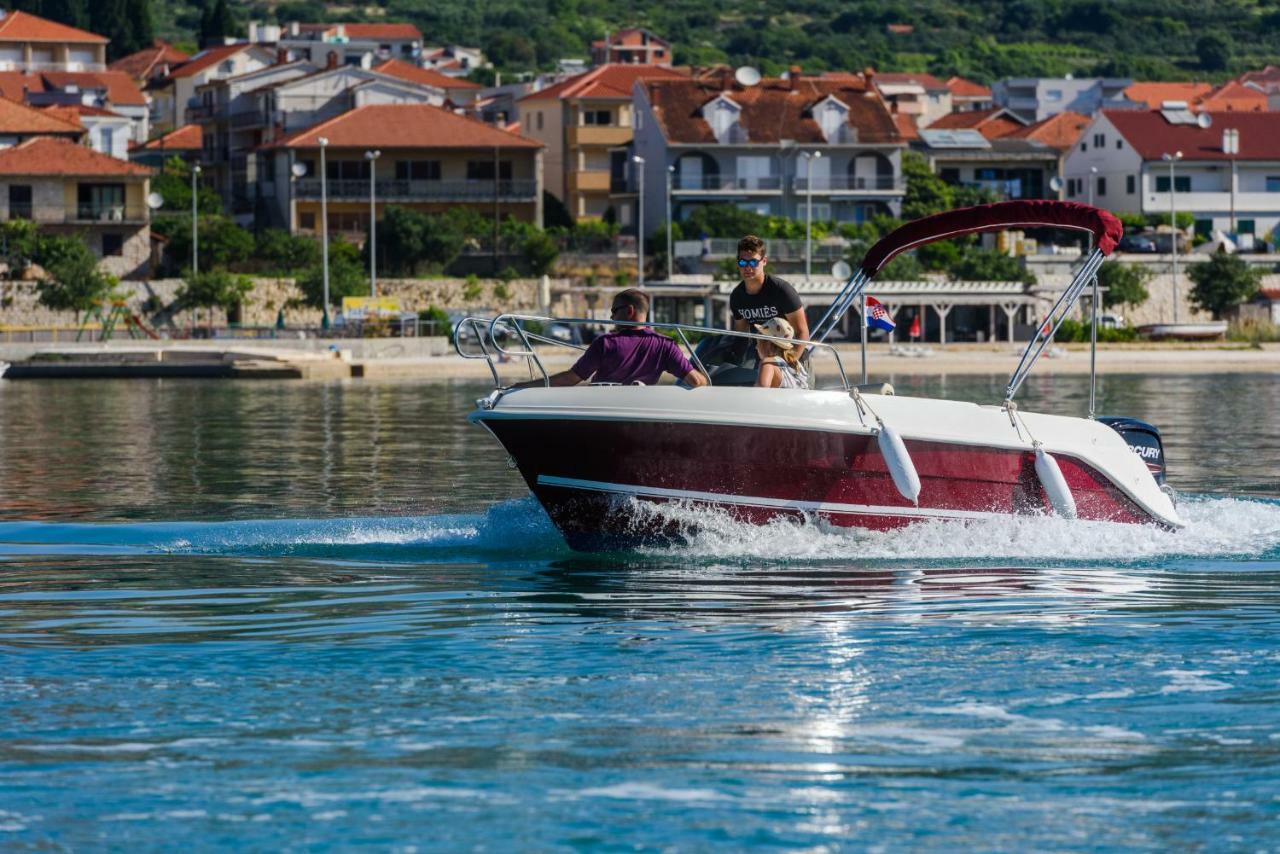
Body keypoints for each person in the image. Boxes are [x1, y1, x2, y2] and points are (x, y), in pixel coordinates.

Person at [510, 289, 708, 389]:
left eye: (614, 311)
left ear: (629, 311)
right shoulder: (665, 346)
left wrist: (523, 386)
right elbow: (697, 382)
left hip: (602, 409)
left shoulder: (606, 343)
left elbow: (572, 378)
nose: (612, 317)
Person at [730, 235, 809, 343]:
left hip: (789, 351)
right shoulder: (737, 296)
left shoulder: (781, 290)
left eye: (753, 262)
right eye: (743, 262)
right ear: (738, 263)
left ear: (764, 261)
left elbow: (802, 332)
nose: (747, 267)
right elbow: (741, 336)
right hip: (760, 352)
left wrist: (792, 357)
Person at [752, 316, 809, 389]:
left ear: (768, 344)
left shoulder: (768, 363)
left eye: (758, 342)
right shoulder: (795, 364)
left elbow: (760, 391)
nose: (756, 347)